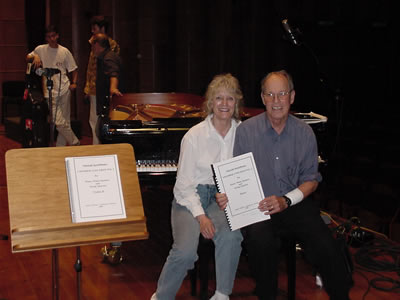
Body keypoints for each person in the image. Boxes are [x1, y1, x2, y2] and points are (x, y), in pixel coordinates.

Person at [216, 70, 352, 300]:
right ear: (262, 98)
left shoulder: (305, 132)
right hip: (259, 205)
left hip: (294, 202)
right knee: (260, 243)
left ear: (292, 96)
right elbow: (236, 175)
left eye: (282, 94)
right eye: (270, 94)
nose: (276, 101)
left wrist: (286, 200)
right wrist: (227, 194)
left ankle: (341, 296)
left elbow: (311, 180)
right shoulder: (246, 131)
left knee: (325, 245)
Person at [151, 73, 244, 300]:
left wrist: (231, 194)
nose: (224, 104)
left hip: (221, 198)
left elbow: (244, 173)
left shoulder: (243, 133)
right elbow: (183, 186)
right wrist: (201, 217)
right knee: (184, 252)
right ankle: (161, 297)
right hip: (190, 197)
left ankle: (222, 295)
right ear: (210, 102)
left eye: (229, 98)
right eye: (218, 98)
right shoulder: (194, 136)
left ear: (237, 102)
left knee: (232, 237)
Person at [26, 25, 80, 146]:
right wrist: (35, 56)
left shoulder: (64, 51)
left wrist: (74, 83)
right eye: (49, 37)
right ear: (46, 38)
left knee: (65, 121)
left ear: (57, 36)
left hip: (64, 88)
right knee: (57, 121)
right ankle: (75, 142)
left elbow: (74, 69)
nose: (51, 39)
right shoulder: (40, 49)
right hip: (49, 90)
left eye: (53, 36)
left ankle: (60, 149)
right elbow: (28, 57)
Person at [84, 16, 120, 144]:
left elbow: (112, 69)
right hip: (95, 88)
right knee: (93, 120)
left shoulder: (111, 45)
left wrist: (112, 87)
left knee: (101, 120)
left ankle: (98, 147)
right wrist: (88, 88)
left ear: (103, 28)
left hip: (103, 89)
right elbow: (90, 68)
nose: (92, 32)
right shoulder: (94, 43)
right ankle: (96, 146)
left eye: (95, 29)